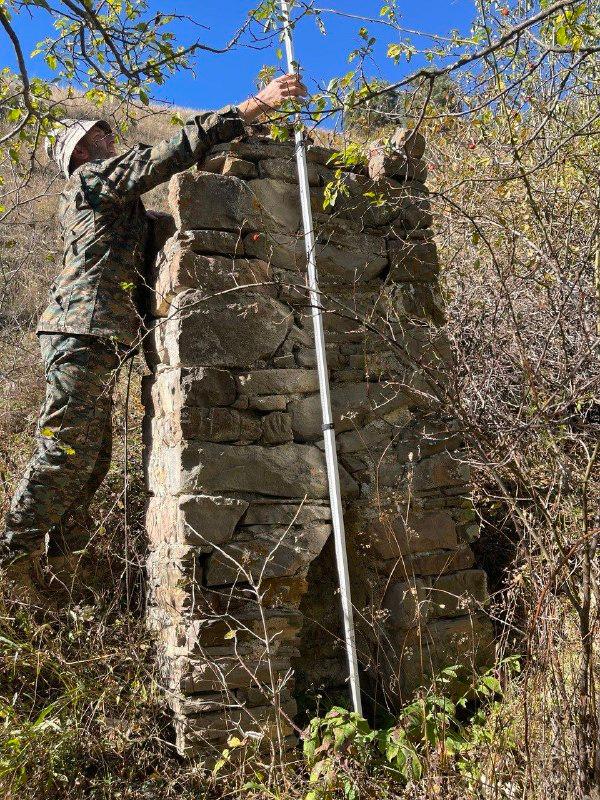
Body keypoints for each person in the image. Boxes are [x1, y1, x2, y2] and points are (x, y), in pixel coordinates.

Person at [1, 73, 307, 585]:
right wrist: (252, 106)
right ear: (79, 155)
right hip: (80, 332)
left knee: (90, 460)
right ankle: (10, 555)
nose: (107, 135)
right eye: (96, 135)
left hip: (98, 334)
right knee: (64, 452)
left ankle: (54, 570)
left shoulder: (116, 207)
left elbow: (164, 234)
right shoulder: (92, 182)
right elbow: (167, 154)